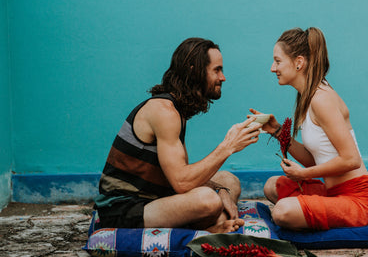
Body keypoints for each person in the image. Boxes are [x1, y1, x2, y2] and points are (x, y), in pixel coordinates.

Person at [94, 37, 263, 233]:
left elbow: (179, 174)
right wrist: (228, 147)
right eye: (216, 70)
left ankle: (215, 222)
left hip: (156, 197)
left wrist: (221, 190)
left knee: (228, 180)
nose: (223, 77)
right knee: (207, 200)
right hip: (123, 210)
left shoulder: (176, 110)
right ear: (194, 71)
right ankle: (213, 224)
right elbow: (182, 183)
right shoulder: (164, 112)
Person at [250, 27, 368, 231]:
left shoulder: (322, 99)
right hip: (334, 193)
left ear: (299, 62)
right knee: (272, 185)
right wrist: (278, 131)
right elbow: (318, 158)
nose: (272, 68)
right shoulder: (308, 98)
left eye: (278, 61)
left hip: (362, 200)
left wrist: (304, 174)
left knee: (282, 212)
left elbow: (351, 159)